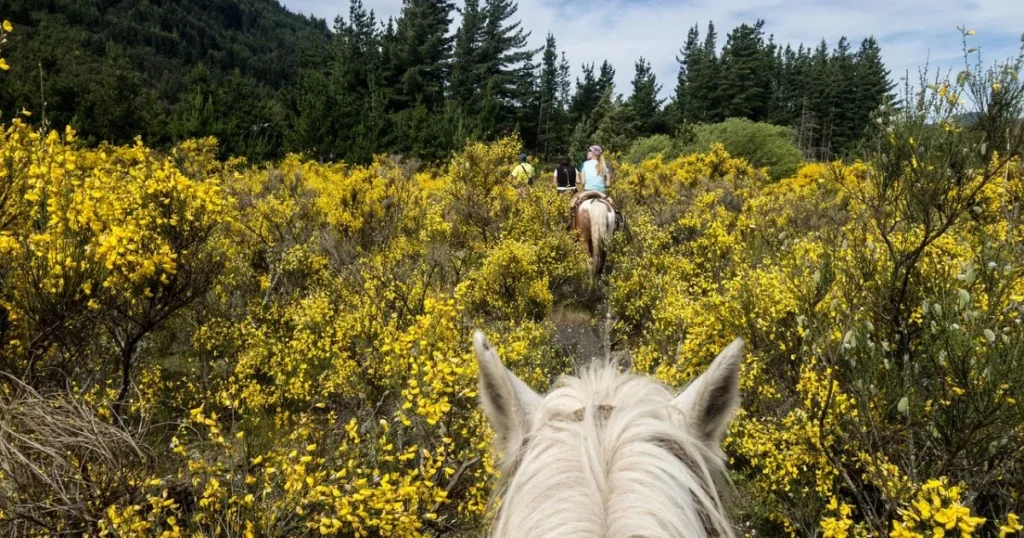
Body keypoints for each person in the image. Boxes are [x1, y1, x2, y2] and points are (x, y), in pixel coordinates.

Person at [569, 145, 612, 228]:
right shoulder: (604, 165)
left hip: (587, 191)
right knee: (612, 206)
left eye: (589, 151)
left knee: (572, 204)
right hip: (601, 192)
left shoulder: (584, 164)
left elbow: (583, 182)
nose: (587, 153)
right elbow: (608, 183)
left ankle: (571, 226)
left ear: (593, 154)